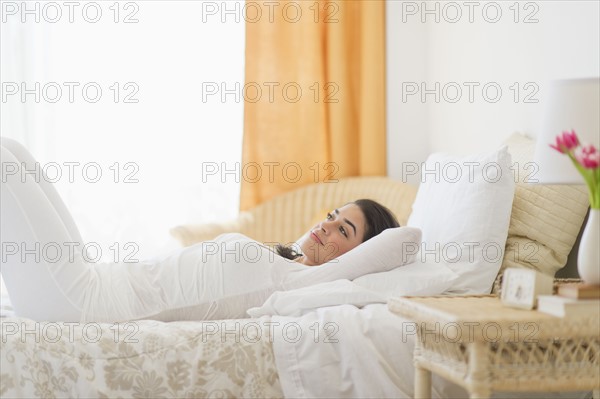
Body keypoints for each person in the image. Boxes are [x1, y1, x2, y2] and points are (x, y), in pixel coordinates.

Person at [0, 138, 411, 323]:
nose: (327, 224)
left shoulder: (307, 284)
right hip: (97, 276)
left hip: (83, 305)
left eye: (345, 229)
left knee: (5, 162)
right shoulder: (285, 259)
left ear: (355, 254)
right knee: (14, 150)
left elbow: (401, 243)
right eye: (332, 214)